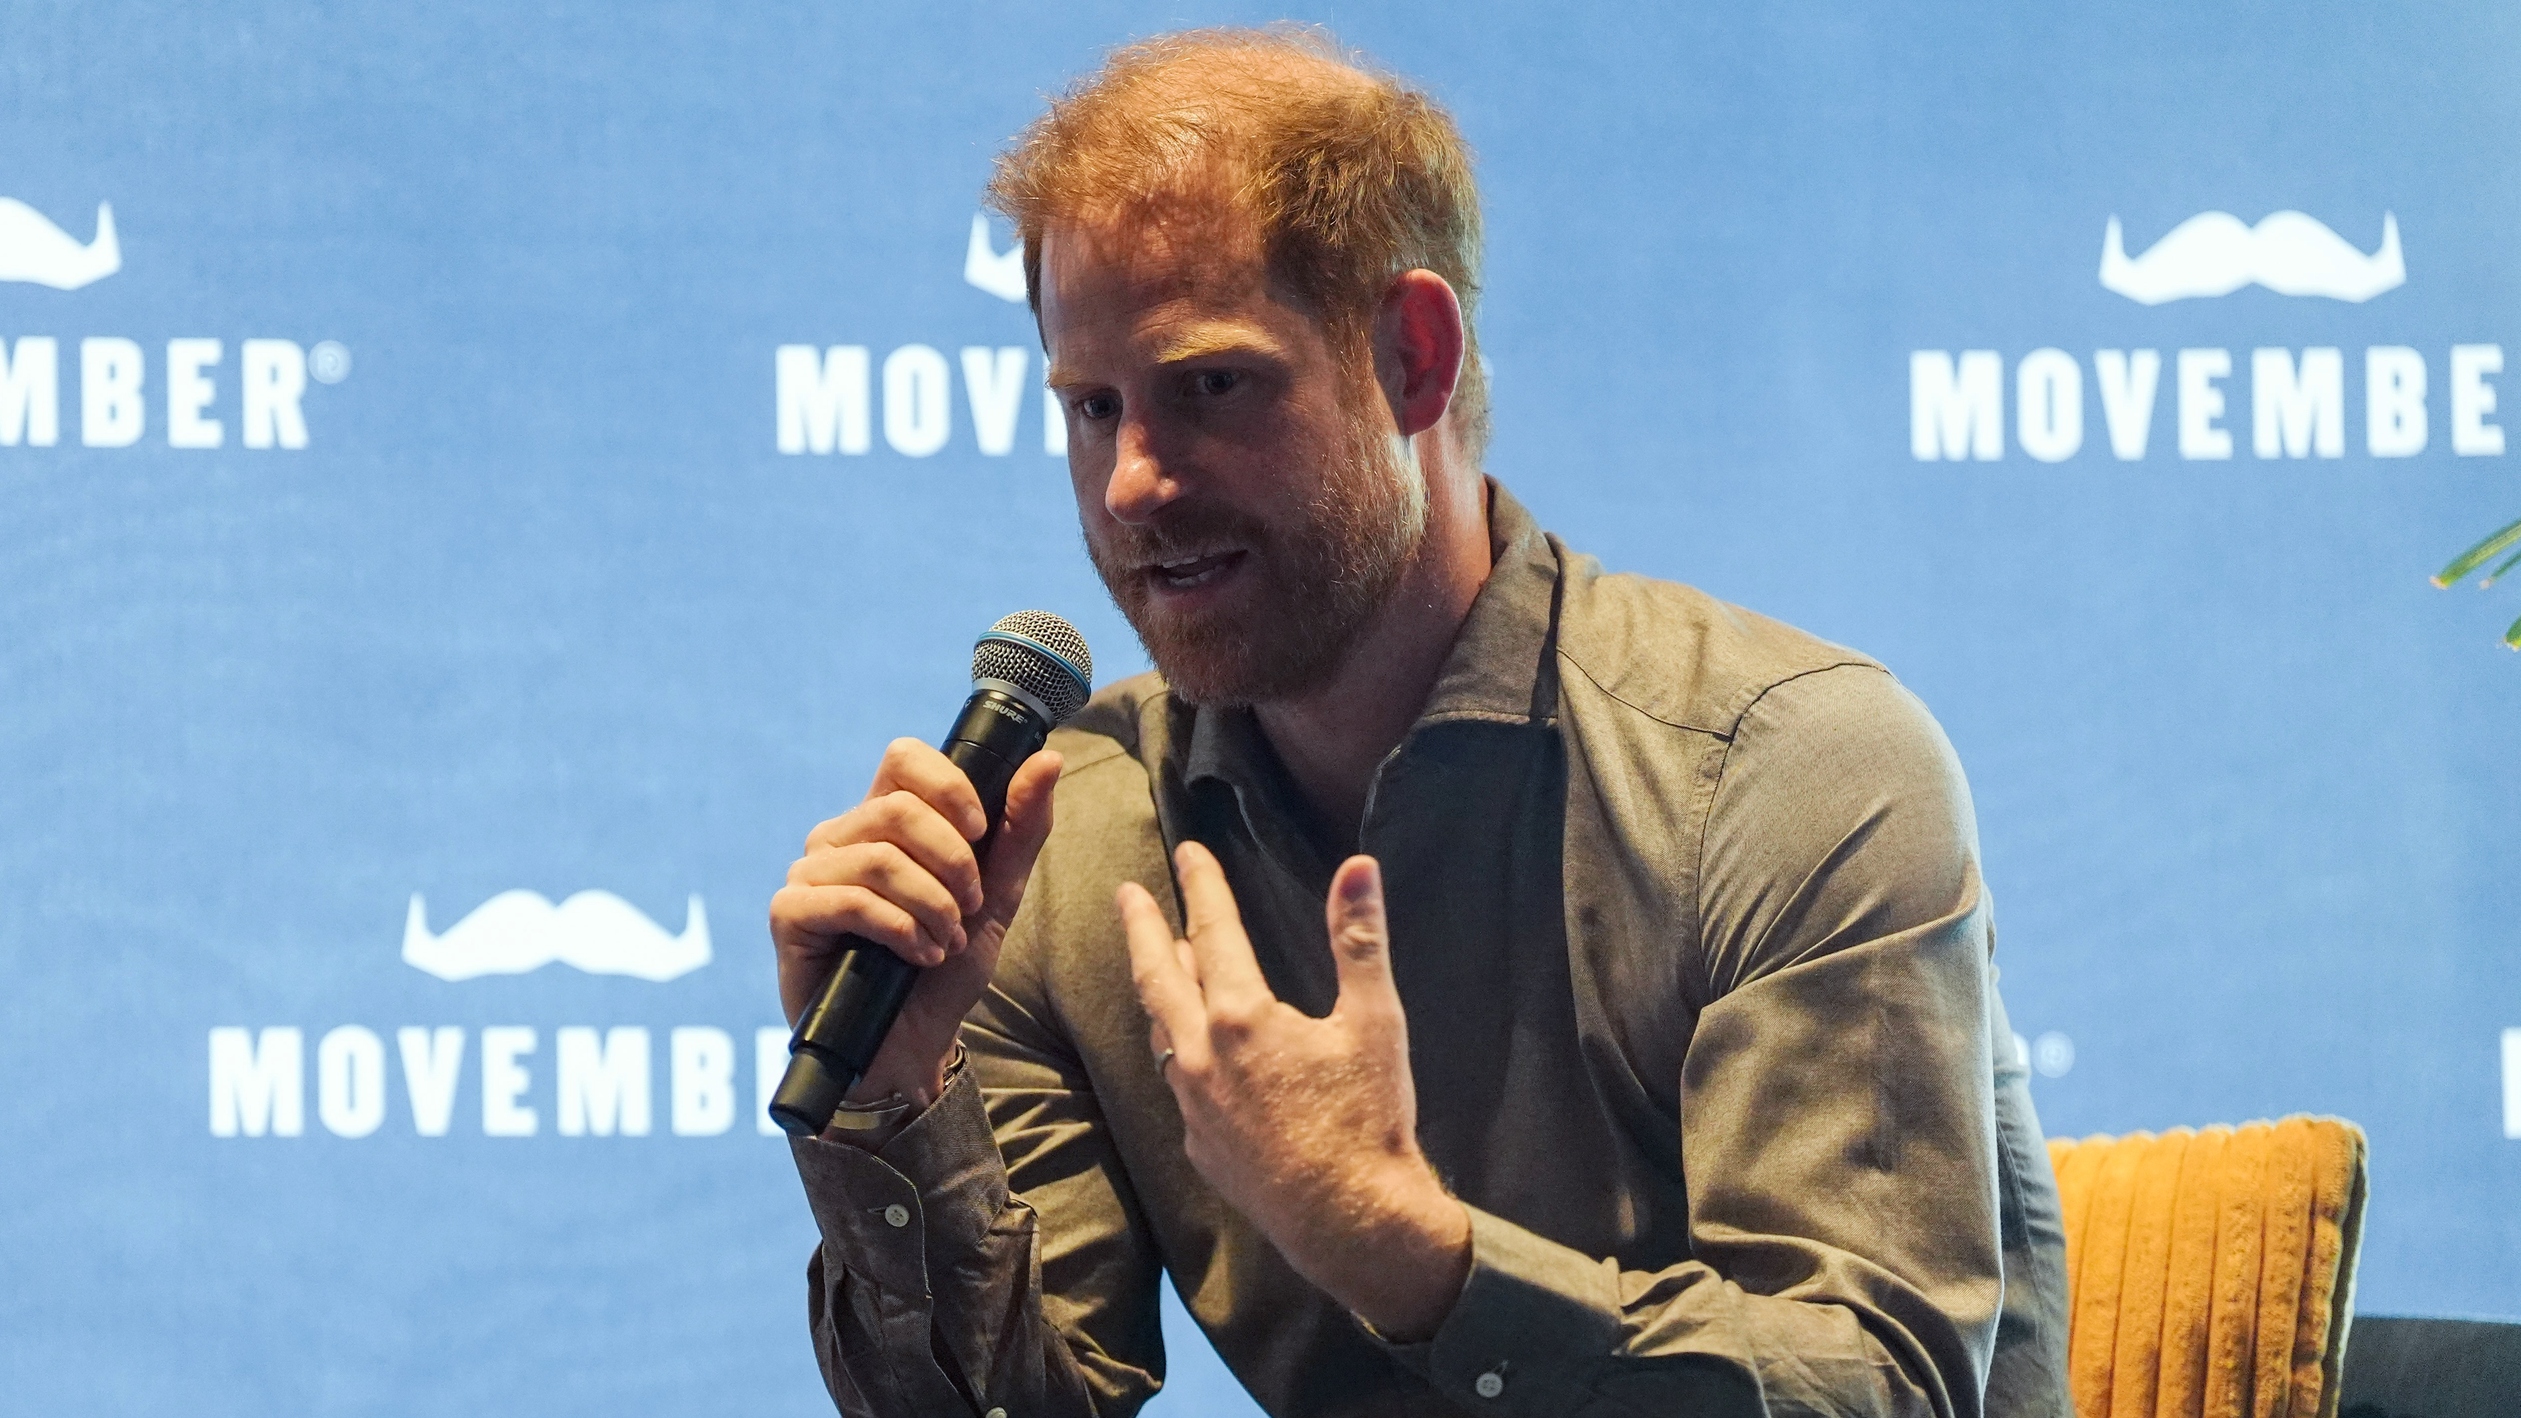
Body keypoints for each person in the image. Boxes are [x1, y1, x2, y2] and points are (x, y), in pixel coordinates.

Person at [769, 24, 2069, 1418]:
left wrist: (1404, 1247)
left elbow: (1876, 1390)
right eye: (1092, 407)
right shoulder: (1057, 837)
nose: (1133, 482)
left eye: (1211, 386)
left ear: (1412, 357)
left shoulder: (1791, 765)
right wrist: (896, 1107)